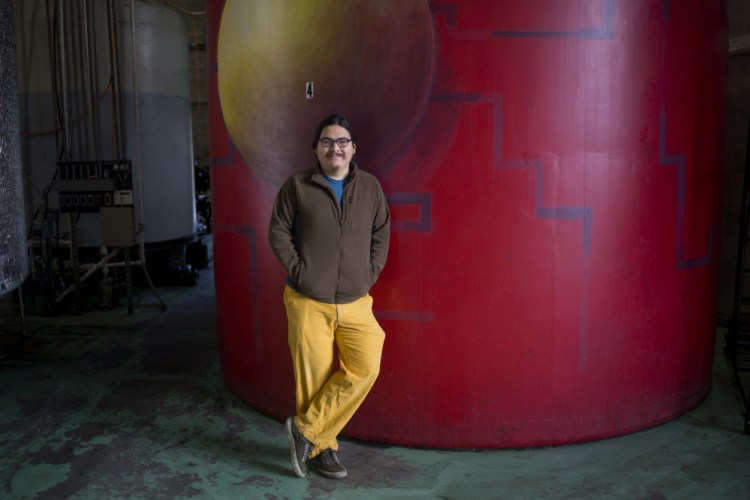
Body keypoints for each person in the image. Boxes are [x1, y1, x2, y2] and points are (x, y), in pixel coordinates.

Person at [268, 114, 390, 479]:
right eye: (326, 141)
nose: (334, 147)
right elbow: (278, 232)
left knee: (366, 366)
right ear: (315, 149)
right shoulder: (297, 185)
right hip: (307, 299)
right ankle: (324, 450)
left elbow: (381, 233)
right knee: (314, 379)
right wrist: (303, 274)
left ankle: (305, 431)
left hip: (355, 300)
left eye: (342, 141)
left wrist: (368, 274)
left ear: (353, 148)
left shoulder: (370, 188)